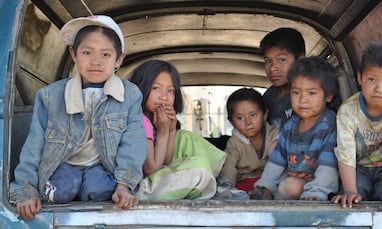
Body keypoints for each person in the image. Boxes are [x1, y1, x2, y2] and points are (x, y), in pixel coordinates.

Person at [10, 15, 147, 220]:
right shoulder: (50, 96)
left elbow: (133, 145)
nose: (95, 61)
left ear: (119, 59)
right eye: (87, 52)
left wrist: (124, 186)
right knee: (63, 189)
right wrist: (26, 190)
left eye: (106, 55)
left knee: (100, 189)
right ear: (74, 54)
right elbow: (34, 146)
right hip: (62, 166)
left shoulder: (130, 95)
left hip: (101, 168)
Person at [332, 42, 382, 209]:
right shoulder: (348, 110)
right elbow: (345, 154)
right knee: (353, 196)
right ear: (360, 78)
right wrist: (349, 191)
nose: (380, 88)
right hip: (358, 167)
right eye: (372, 79)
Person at [130, 59, 226, 200]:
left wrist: (171, 129)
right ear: (141, 88)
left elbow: (167, 161)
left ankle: (219, 181)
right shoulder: (139, 120)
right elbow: (151, 169)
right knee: (199, 168)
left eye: (170, 91)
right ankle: (214, 184)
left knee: (185, 137)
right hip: (140, 190)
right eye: (156, 88)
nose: (164, 97)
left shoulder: (153, 120)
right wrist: (163, 132)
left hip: (156, 180)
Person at [254, 56, 339, 200]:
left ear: (328, 96)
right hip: (292, 181)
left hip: (319, 186)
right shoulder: (290, 126)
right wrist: (266, 186)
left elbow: (328, 166)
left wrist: (316, 192)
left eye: (311, 93)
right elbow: (276, 161)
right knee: (285, 186)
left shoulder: (330, 125)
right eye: (296, 92)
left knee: (289, 186)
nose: (302, 100)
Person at [216, 88, 278, 199]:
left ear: (265, 115)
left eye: (253, 115)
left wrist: (267, 187)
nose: (248, 122)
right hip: (244, 182)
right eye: (240, 118)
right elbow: (229, 168)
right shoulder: (235, 143)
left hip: (271, 181)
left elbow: (280, 164)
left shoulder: (274, 135)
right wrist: (228, 188)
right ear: (232, 122)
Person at [261, 27, 305, 128]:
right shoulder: (268, 96)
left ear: (300, 60)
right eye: (268, 61)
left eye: (281, 59)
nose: (272, 68)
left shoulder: (309, 93)